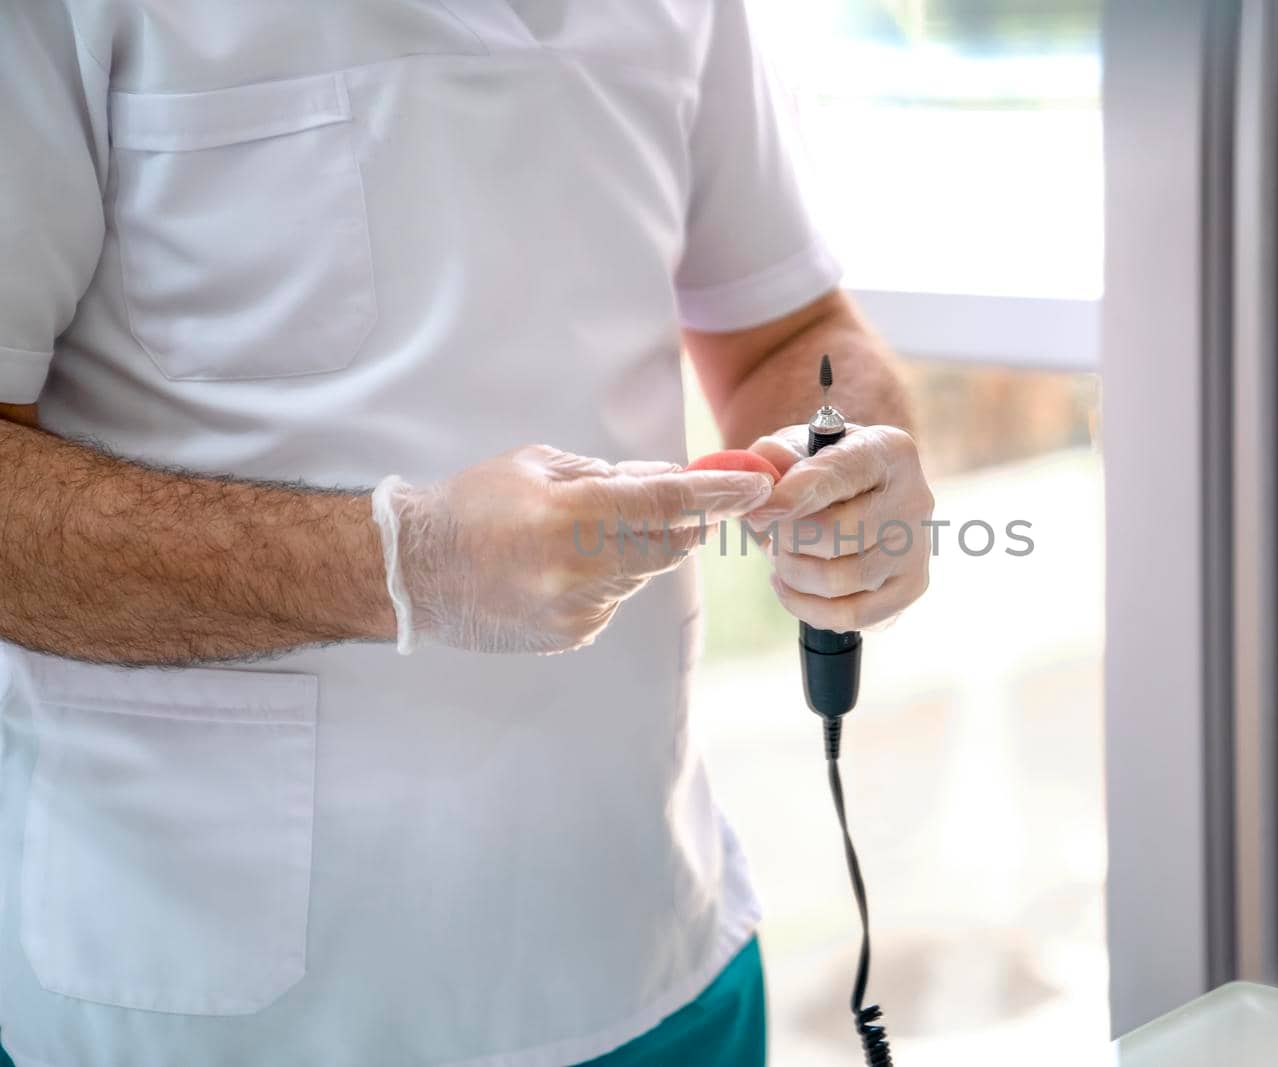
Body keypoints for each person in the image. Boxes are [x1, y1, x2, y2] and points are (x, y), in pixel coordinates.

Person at [0, 3, 935, 1064]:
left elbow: (795, 329)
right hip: (206, 1001)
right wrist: (404, 563)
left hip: (651, 951)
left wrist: (850, 453)